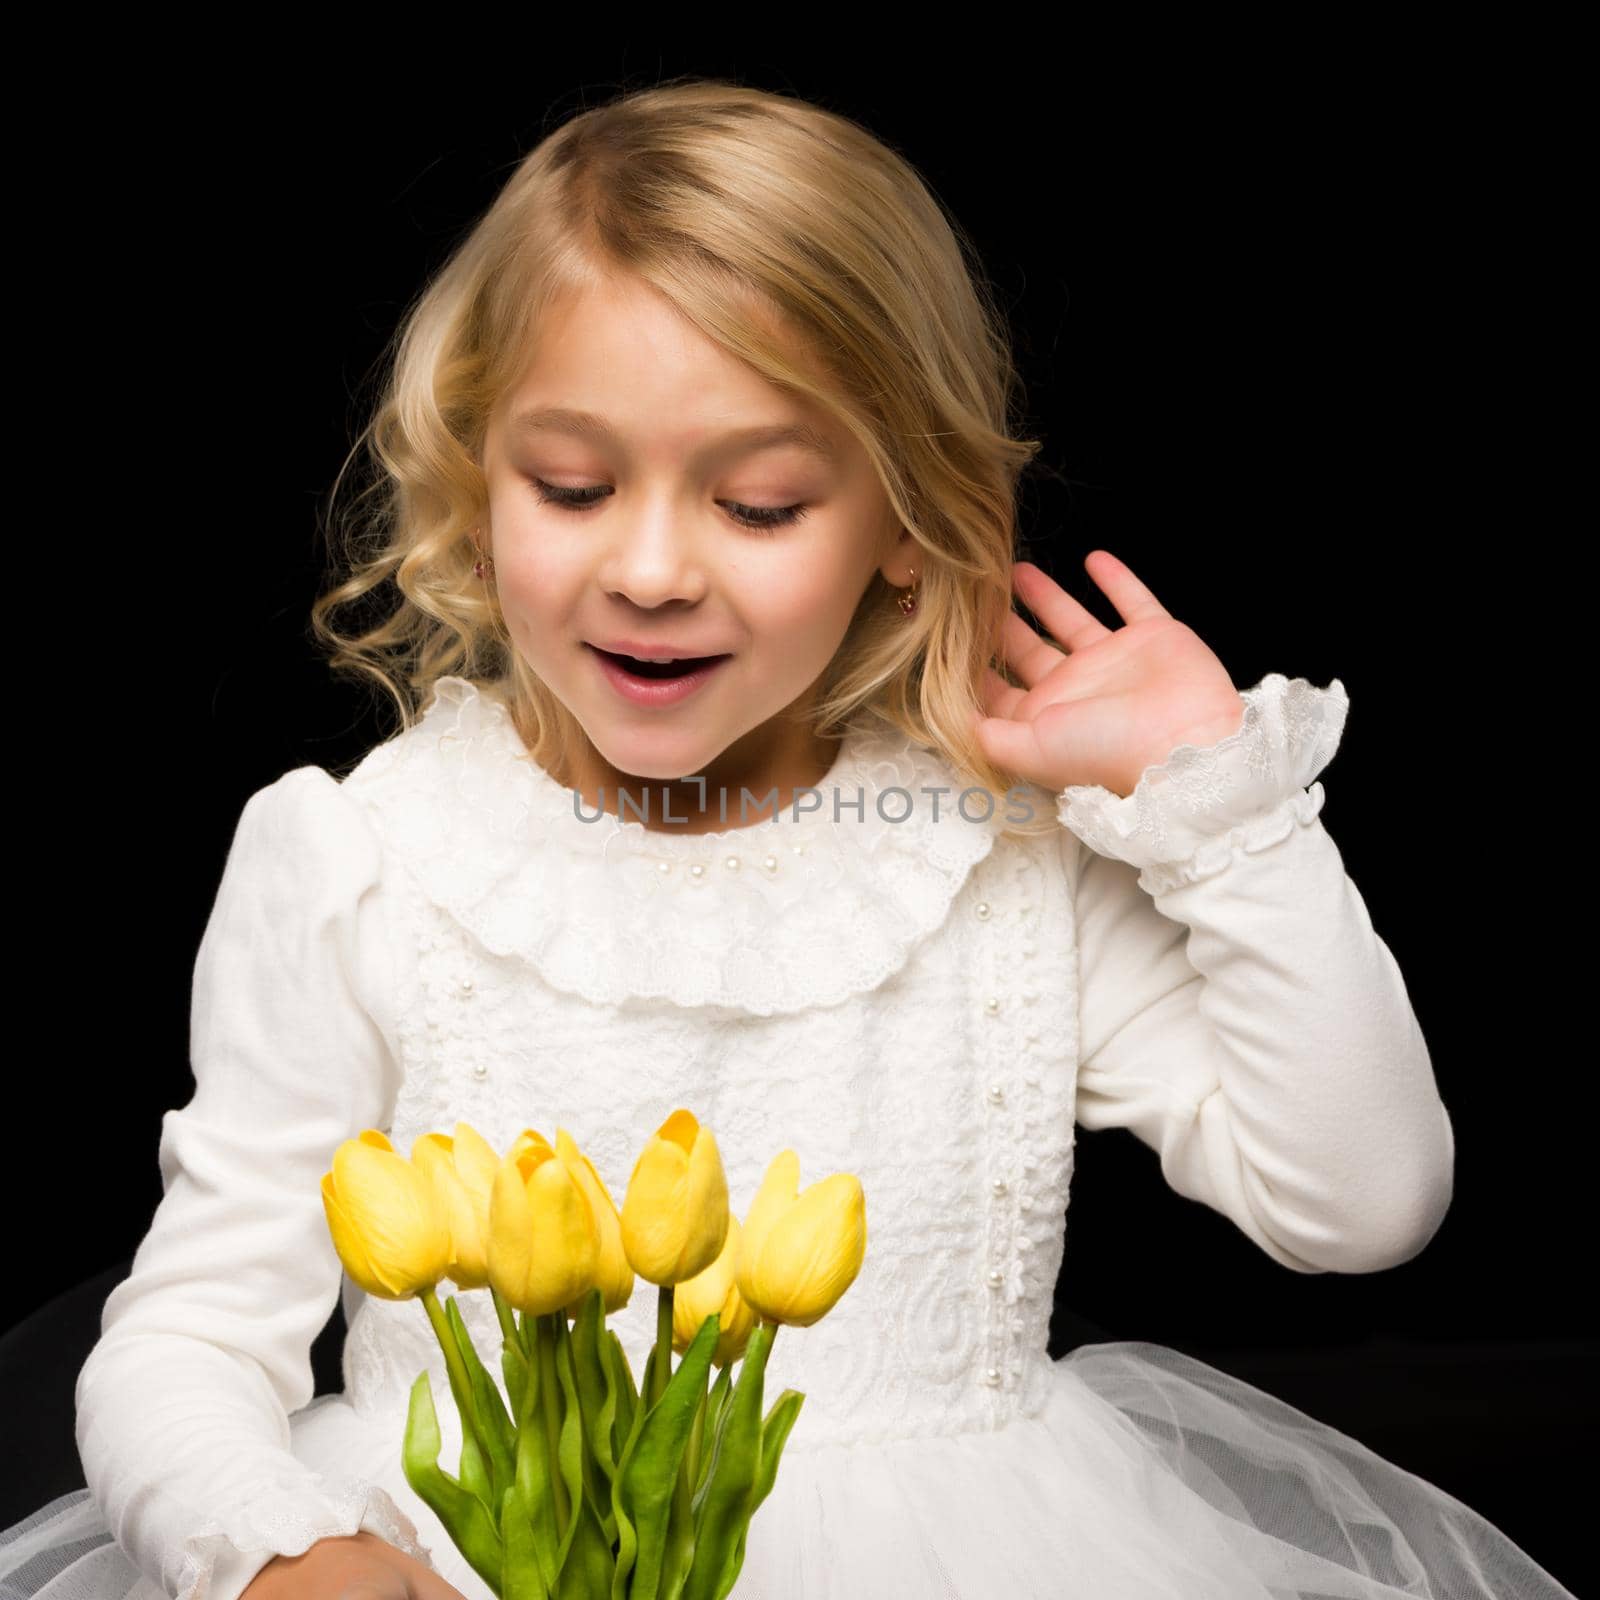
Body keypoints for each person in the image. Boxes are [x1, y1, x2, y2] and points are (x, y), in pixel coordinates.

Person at [0, 78, 1575, 1600]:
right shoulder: (364, 863)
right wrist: (273, 1542)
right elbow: (189, 1334)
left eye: (757, 503)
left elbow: (1363, 1202)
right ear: (479, 479)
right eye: (570, 484)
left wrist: (1221, 812)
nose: (653, 568)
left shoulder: (1003, 859)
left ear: (904, 518)